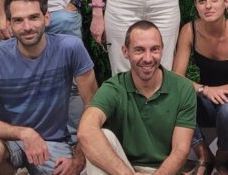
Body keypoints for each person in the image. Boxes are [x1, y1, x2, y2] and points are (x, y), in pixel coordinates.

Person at [0, 0, 98, 174]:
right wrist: (24, 133)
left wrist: (79, 156)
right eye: (18, 20)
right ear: (9, 24)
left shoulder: (70, 48)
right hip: (7, 139)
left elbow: (93, 106)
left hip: (51, 141)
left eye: (33, 17)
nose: (27, 27)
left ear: (46, 18)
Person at [79, 21, 197, 175]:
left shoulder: (182, 88)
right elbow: (86, 131)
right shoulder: (114, 88)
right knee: (101, 137)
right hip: (121, 167)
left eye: (154, 49)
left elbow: (180, 151)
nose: (148, 58)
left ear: (162, 50)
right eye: (139, 50)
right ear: (125, 51)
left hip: (164, 171)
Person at [173, 0, 228, 175]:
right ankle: (204, 154)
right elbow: (176, 77)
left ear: (226, 2)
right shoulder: (189, 30)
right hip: (204, 98)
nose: (208, 6)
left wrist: (213, 91)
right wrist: (205, 90)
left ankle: (221, 159)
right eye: (202, 1)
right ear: (196, 5)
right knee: (173, 98)